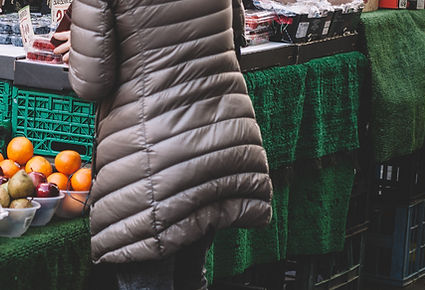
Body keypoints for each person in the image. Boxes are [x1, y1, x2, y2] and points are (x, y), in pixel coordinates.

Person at [52, 0, 273, 289]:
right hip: (214, 138)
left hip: (151, 156)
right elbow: (235, 36)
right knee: (190, 278)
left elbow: (91, 82)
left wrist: (81, 49)